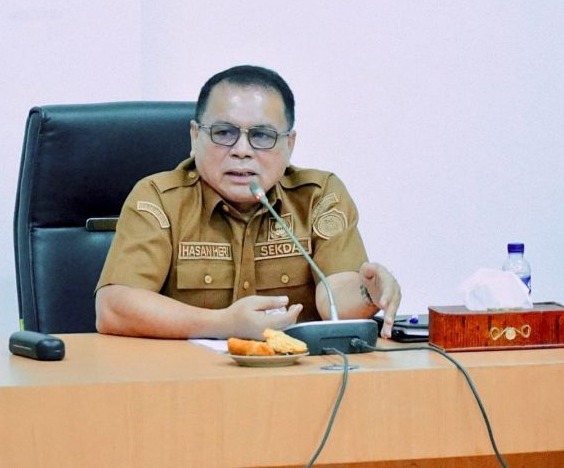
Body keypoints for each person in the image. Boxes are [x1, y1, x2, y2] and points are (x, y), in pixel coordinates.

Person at [95, 65, 401, 340]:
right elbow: (113, 308)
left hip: (295, 377)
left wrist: (369, 293)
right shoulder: (159, 199)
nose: (241, 150)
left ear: (289, 144)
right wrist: (223, 324)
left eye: (262, 136)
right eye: (224, 132)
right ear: (194, 137)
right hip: (188, 378)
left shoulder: (318, 197)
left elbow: (334, 297)